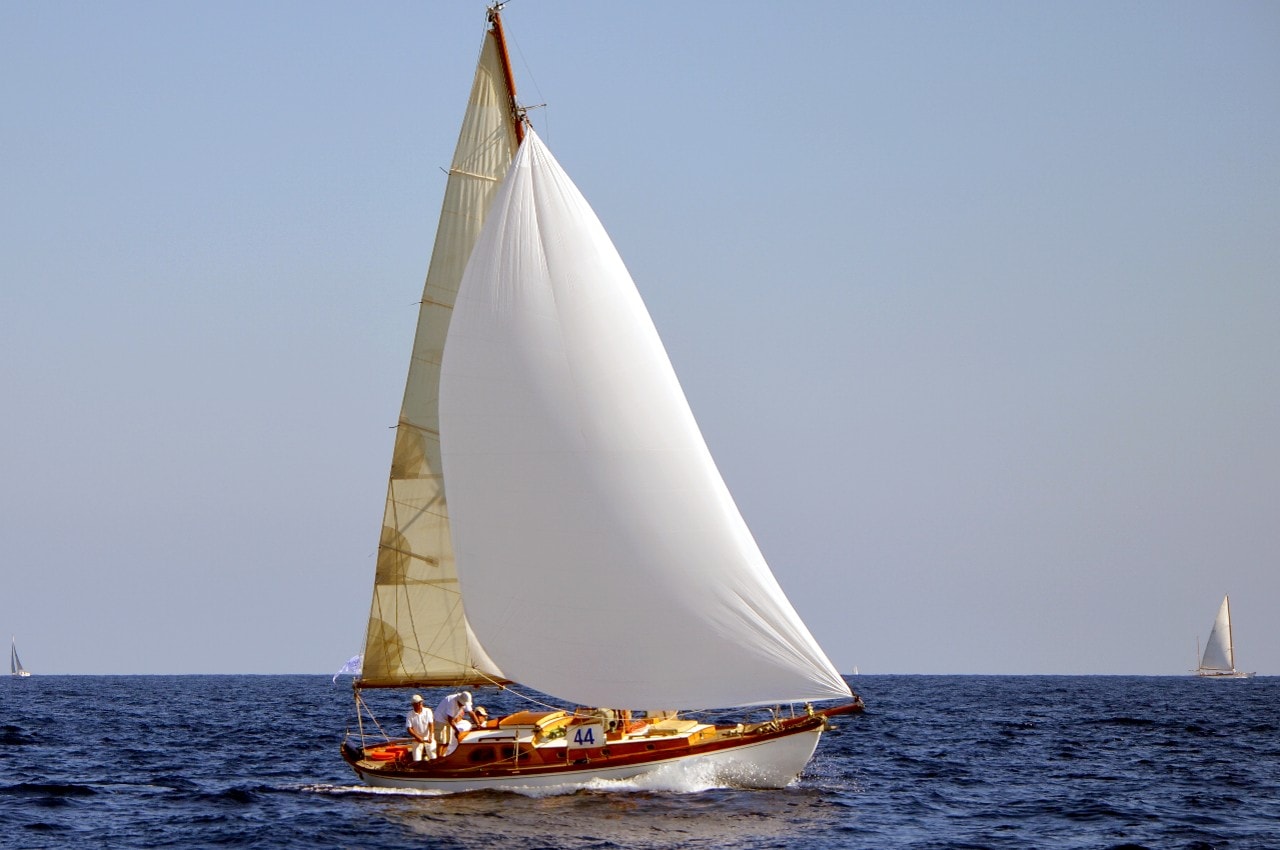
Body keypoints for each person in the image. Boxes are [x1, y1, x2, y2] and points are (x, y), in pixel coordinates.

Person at [434, 690, 480, 756]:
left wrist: (478, 724)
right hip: (440, 719)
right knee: (441, 742)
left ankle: (442, 756)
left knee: (447, 742)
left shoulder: (465, 700)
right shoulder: (452, 702)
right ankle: (438, 758)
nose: (462, 706)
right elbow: (450, 720)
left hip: (448, 721)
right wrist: (456, 731)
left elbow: (471, 713)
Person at [405, 694, 436, 762]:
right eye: (418, 703)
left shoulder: (428, 711)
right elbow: (409, 728)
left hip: (428, 737)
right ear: (413, 705)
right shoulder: (409, 714)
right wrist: (417, 737)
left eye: (421, 702)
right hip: (416, 738)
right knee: (417, 758)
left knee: (433, 756)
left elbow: (431, 724)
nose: (420, 704)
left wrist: (430, 736)